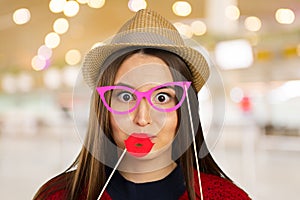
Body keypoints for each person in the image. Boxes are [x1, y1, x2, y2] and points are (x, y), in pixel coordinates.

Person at [33, 9, 251, 200]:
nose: (142, 118)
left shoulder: (228, 197)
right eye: (126, 97)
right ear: (103, 108)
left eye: (162, 98)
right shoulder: (57, 196)